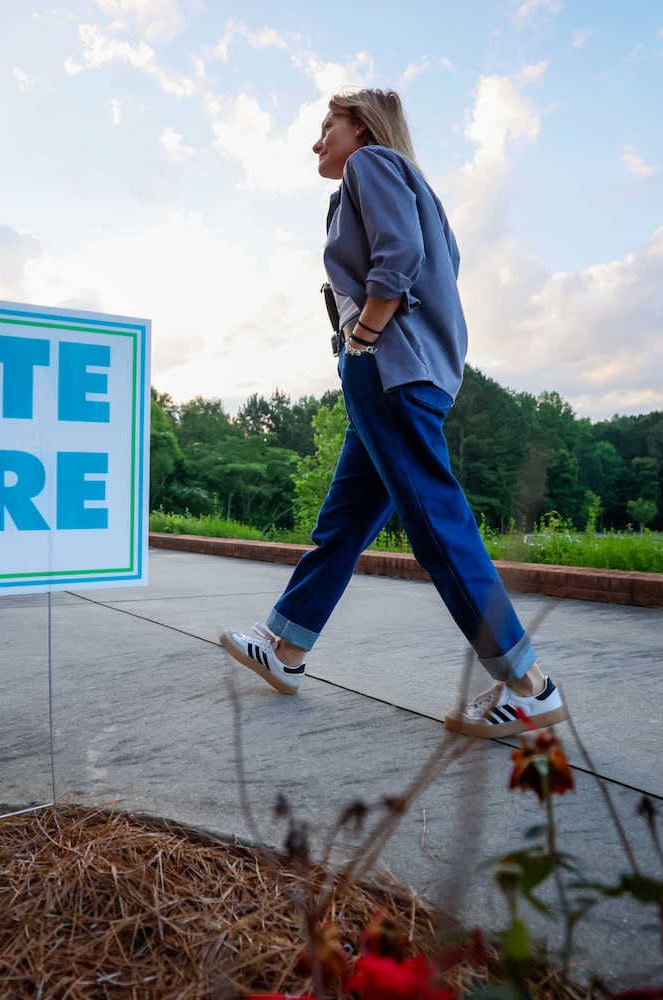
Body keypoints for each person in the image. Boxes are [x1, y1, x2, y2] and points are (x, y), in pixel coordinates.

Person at [218, 87, 567, 740]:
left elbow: (396, 258)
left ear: (361, 128)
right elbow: (431, 264)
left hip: (388, 368)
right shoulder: (416, 188)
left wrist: (364, 336)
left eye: (327, 124)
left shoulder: (369, 166)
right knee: (344, 521)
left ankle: (529, 685)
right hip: (403, 372)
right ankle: (286, 647)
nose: (317, 139)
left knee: (436, 525)